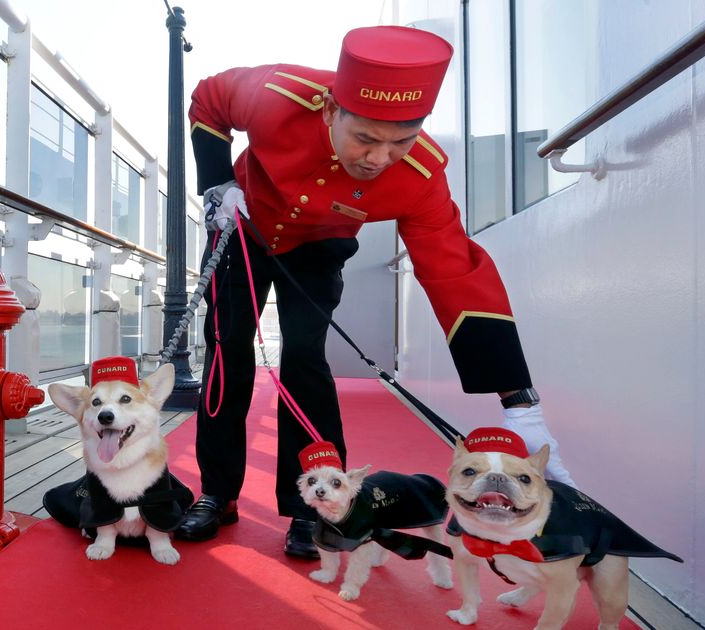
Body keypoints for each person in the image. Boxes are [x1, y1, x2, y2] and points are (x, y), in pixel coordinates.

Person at [175, 25, 575, 558]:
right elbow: (207, 99)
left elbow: (456, 274)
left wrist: (518, 402)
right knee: (228, 352)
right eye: (365, 137)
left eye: (400, 142)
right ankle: (216, 492)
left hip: (319, 248)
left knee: (304, 357)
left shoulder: (421, 176)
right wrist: (217, 182)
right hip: (240, 225)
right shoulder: (278, 94)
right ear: (329, 113)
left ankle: (309, 507)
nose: (379, 158)